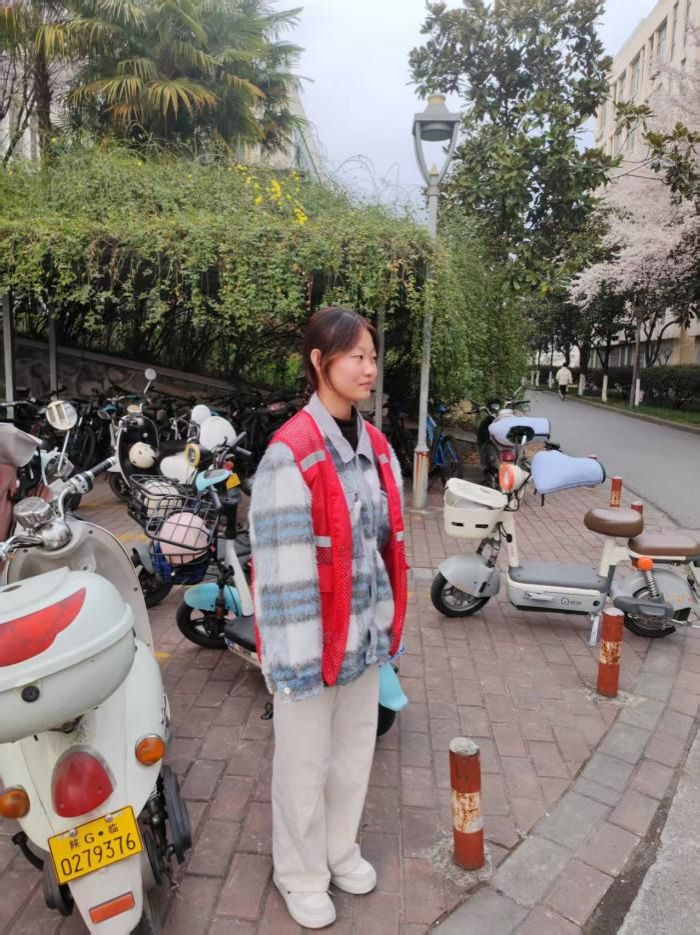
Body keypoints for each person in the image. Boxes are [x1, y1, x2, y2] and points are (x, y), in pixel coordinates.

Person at [249, 306, 407, 929]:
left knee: (352, 755)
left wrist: (387, 628)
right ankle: (300, 872)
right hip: (310, 647)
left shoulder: (377, 447)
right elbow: (281, 572)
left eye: (373, 356)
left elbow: (384, 549)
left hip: (363, 638)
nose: (369, 368)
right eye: (356, 356)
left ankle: (340, 852)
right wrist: (295, 665)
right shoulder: (291, 452)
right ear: (319, 362)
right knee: (303, 764)